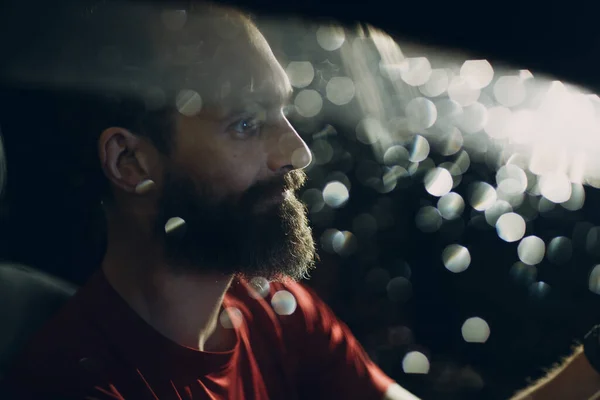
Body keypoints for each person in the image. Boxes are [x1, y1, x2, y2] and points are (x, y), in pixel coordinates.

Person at [2, 1, 419, 399]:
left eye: (283, 112)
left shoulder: (276, 310)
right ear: (130, 163)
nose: (297, 152)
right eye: (246, 123)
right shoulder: (78, 387)